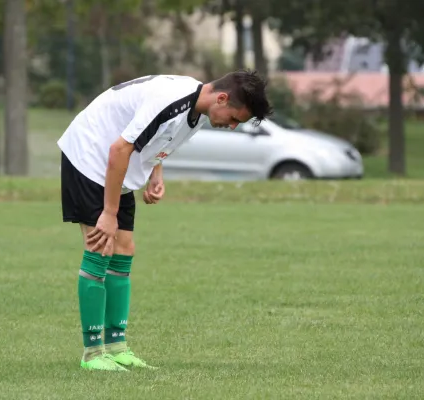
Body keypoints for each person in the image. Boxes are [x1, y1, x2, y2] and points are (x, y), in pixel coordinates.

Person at [57, 69, 273, 371]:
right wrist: (109, 213)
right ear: (222, 98)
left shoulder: (197, 108)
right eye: (236, 118)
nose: (234, 126)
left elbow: (159, 139)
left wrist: (155, 173)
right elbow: (119, 148)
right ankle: (93, 353)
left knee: (124, 250)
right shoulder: (171, 102)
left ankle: (117, 346)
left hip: (116, 162)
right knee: (100, 248)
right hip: (90, 156)